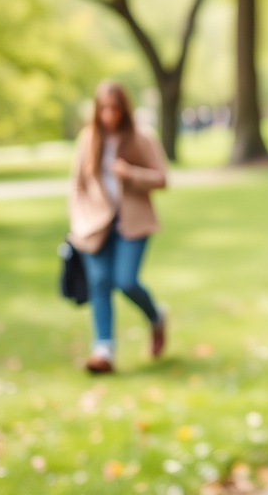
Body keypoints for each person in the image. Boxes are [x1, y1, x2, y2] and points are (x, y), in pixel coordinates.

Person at [68, 80, 168, 374]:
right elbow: (76, 186)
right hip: (95, 223)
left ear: (124, 109)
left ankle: (156, 316)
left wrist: (130, 174)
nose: (109, 115)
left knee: (126, 281)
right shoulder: (88, 139)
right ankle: (103, 350)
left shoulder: (141, 138)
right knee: (99, 282)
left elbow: (162, 178)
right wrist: (78, 222)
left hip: (133, 221)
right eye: (103, 109)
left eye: (115, 108)